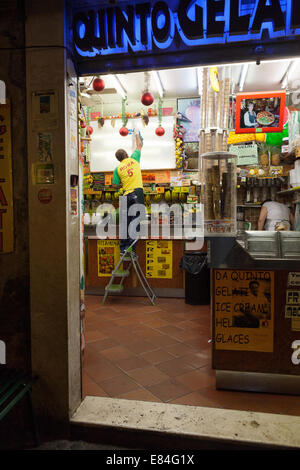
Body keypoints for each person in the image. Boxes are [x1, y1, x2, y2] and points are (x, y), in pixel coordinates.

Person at [112, 132, 144, 256]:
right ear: (126, 154)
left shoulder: (117, 169)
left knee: (125, 222)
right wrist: (136, 134)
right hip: (137, 193)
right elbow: (139, 145)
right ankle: (131, 250)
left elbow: (114, 185)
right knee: (135, 222)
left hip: (125, 195)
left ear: (119, 159)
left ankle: (123, 249)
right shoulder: (134, 158)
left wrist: (121, 184)